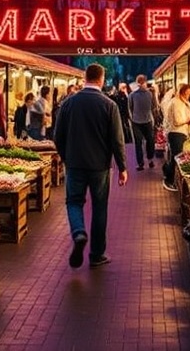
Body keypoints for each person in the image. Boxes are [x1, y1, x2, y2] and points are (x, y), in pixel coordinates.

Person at [53, 63, 127, 269]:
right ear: (101, 79)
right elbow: (117, 140)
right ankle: (97, 254)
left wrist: (66, 157)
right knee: (99, 207)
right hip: (100, 166)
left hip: (75, 164)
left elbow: (57, 135)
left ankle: (78, 232)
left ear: (85, 78)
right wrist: (122, 167)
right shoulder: (109, 105)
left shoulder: (68, 103)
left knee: (74, 202)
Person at [163, 83, 190, 192]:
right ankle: (169, 179)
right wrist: (189, 119)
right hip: (176, 133)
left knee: (176, 156)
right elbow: (178, 121)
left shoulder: (182, 101)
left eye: (189, 93)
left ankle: (168, 173)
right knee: (176, 157)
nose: (188, 96)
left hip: (180, 132)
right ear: (182, 92)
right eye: (187, 93)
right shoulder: (176, 103)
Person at [128, 75, 156, 171]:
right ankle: (147, 161)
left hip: (140, 121)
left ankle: (144, 162)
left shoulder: (148, 94)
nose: (141, 84)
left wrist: (134, 116)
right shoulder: (147, 94)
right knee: (146, 141)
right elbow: (153, 107)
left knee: (143, 142)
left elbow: (130, 108)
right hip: (142, 121)